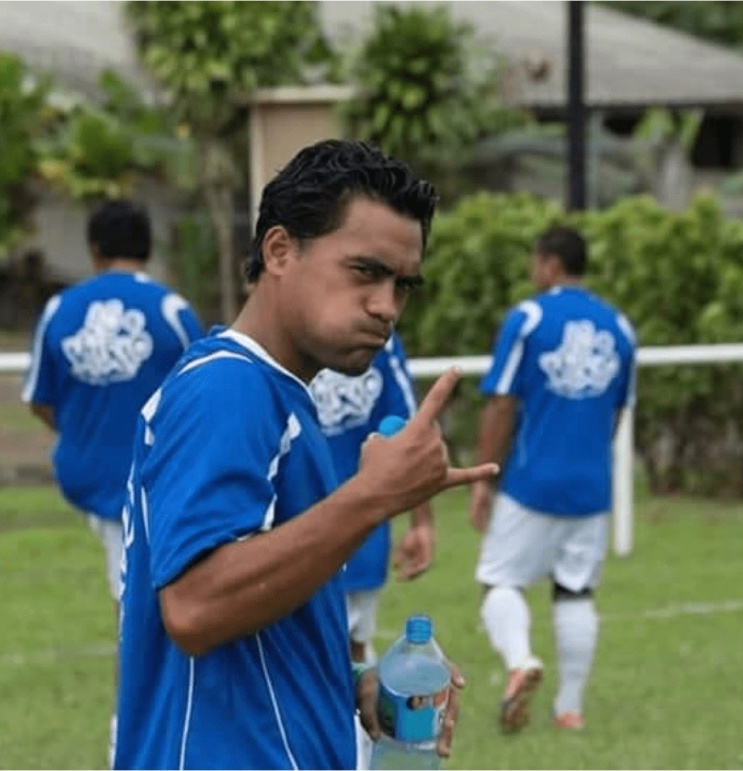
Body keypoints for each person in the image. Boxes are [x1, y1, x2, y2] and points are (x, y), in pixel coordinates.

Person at [114, 139, 498, 770]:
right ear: (280, 250)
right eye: (365, 272)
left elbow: (258, 607)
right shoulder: (227, 388)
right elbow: (194, 606)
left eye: (403, 285)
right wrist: (374, 496)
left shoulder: (276, 394)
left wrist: (354, 681)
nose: (387, 307)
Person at [21, 198, 204, 760]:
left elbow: (40, 400)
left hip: (95, 482)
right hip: (159, 482)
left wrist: (85, 437)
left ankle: (136, 729)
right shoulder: (172, 309)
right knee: (143, 607)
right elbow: (206, 395)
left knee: (136, 602)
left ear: (95, 249)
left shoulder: (60, 308)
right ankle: (135, 733)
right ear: (148, 247)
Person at [470, 225, 637, 733]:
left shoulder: (530, 317)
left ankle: (520, 662)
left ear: (549, 264)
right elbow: (614, 415)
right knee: (576, 592)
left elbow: (502, 402)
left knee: (499, 580)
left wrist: (484, 476)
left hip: (531, 482)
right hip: (591, 487)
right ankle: (569, 708)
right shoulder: (620, 326)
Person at [309, 331, 434, 767]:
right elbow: (410, 432)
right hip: (360, 525)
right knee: (355, 649)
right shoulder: (378, 334)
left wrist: (420, 520)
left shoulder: (282, 329)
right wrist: (421, 521)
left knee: (314, 657)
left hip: (297, 529)